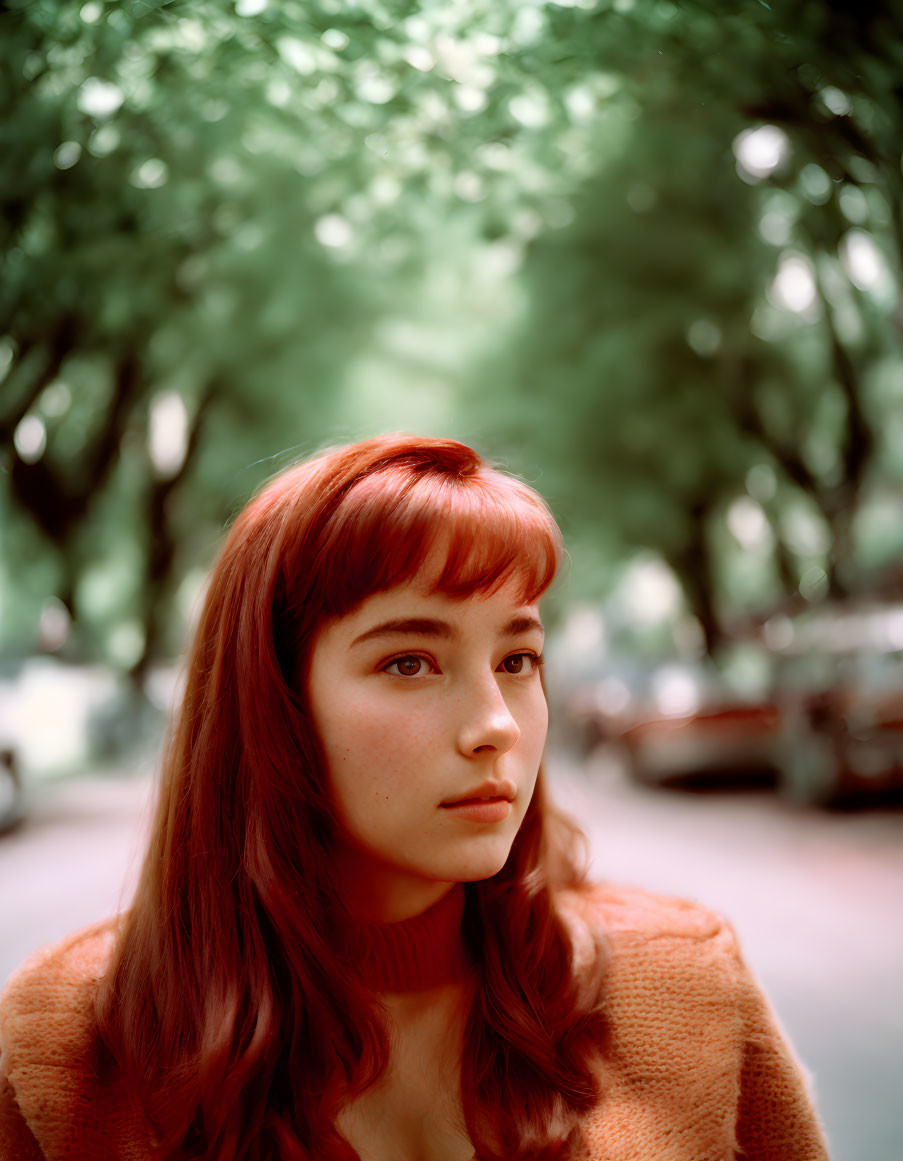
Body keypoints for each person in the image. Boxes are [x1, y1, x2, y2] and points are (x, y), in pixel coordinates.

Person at [0, 434, 829, 1161]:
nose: (495, 726)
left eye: (516, 658)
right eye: (409, 661)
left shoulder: (689, 988)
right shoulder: (62, 1046)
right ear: (272, 702)